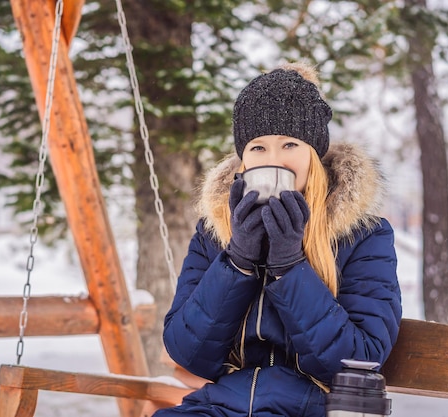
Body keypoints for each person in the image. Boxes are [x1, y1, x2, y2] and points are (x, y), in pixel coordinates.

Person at [153, 61, 402, 417]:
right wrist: (237, 261)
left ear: (313, 153)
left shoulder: (362, 235)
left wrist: (290, 267)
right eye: (258, 147)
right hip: (220, 408)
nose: (275, 160)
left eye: (289, 144)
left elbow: (359, 359)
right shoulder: (215, 232)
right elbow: (187, 351)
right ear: (243, 158)